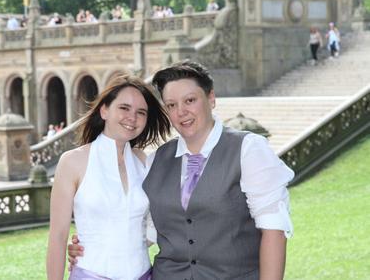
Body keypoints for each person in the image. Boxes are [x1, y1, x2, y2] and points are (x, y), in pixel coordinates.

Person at [69, 61, 294, 280]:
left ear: (211, 98)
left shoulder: (248, 149)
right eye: (172, 105)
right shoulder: (156, 160)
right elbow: (141, 230)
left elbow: (274, 230)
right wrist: (89, 247)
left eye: (190, 100)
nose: (181, 112)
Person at [46, 75, 170, 280]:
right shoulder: (72, 162)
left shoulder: (143, 161)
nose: (133, 117)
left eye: (141, 112)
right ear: (104, 110)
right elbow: (58, 237)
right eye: (124, 108)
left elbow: (149, 224)